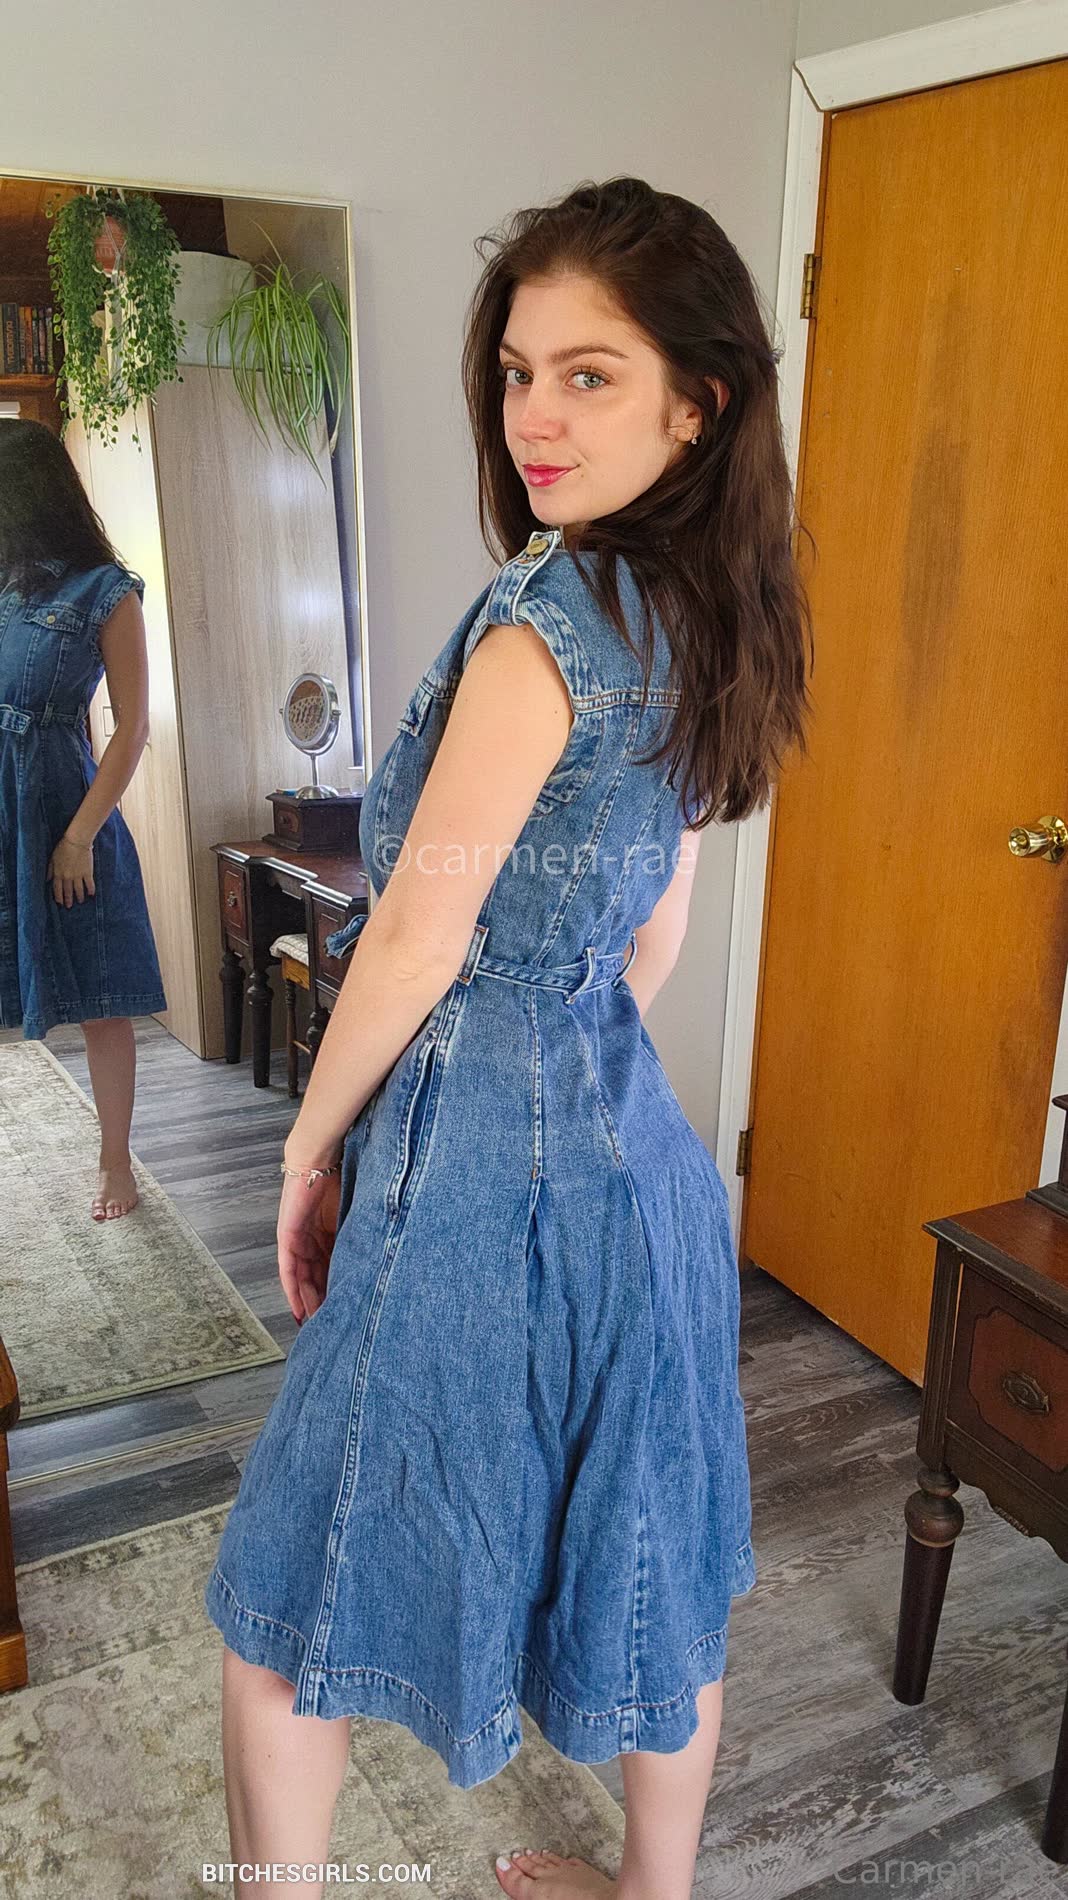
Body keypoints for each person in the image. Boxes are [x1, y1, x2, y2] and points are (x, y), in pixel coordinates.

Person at [203, 176, 814, 1900]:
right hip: (644, 1170)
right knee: (651, 1559)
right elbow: (652, 932)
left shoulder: (545, 632)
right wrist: (571, 1082)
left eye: (588, 375)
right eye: (517, 373)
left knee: (282, 1610)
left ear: (694, 404)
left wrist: (308, 1148)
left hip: (469, 1175)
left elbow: (415, 934)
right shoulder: (712, 609)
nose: (534, 414)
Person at [0, 417, 166, 1221]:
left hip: (64, 811)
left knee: (102, 993)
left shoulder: (106, 590)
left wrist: (78, 837)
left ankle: (115, 1164)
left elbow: (132, 728)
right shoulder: (4, 586)